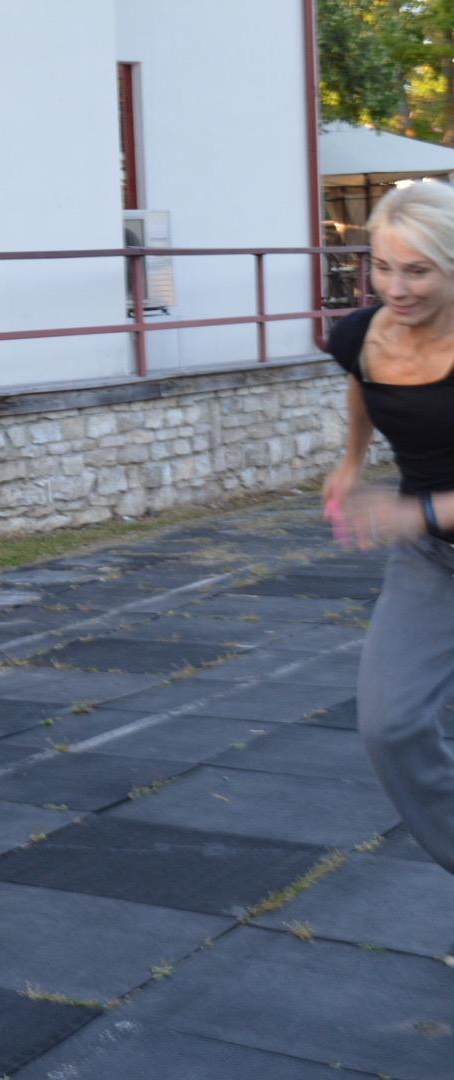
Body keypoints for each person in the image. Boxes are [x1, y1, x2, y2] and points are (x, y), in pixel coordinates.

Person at [321, 180, 454, 966]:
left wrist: (417, 512)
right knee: (390, 726)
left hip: (423, 529)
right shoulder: (362, 335)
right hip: (433, 560)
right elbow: (364, 384)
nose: (396, 289)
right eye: (382, 267)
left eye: (419, 271)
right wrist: (351, 461)